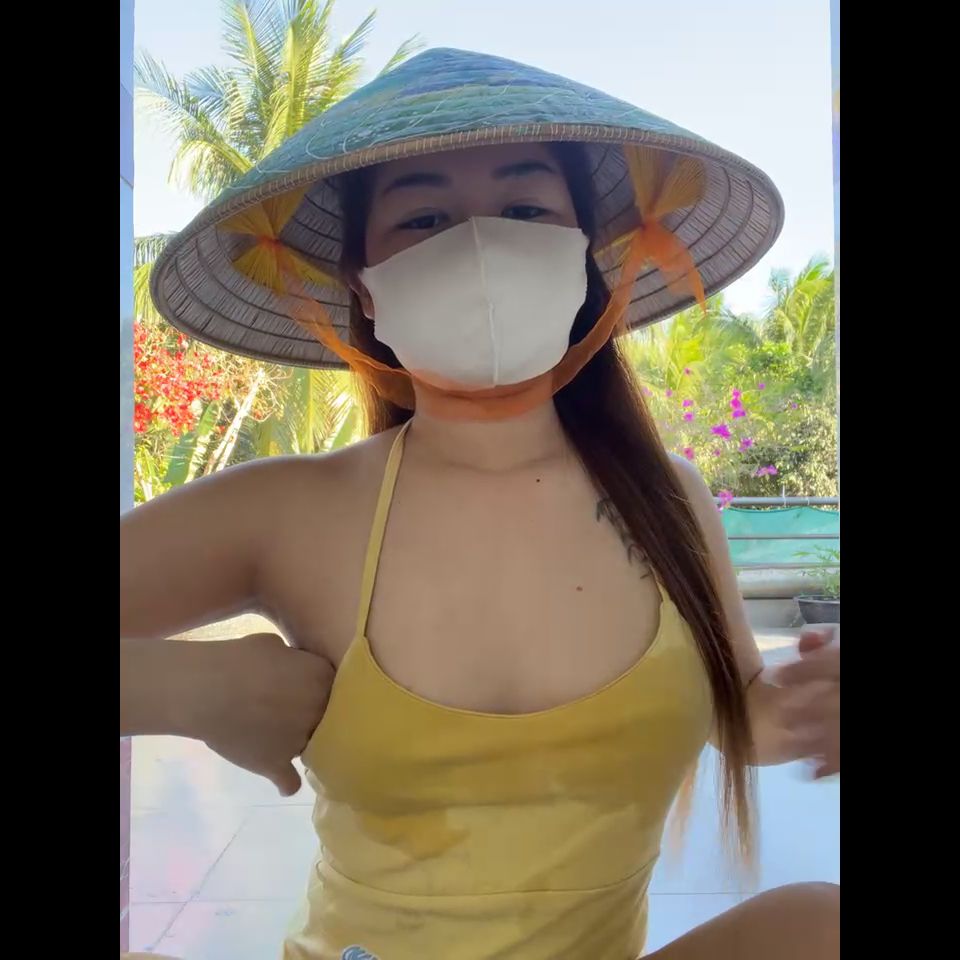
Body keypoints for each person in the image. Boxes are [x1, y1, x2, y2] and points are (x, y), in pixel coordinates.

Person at [122, 48, 839, 960]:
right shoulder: (288, 512)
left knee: (819, 925)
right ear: (363, 287)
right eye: (423, 218)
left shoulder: (669, 500)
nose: (480, 245)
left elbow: (746, 717)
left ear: (584, 259)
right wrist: (184, 690)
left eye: (526, 210)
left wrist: (817, 701)